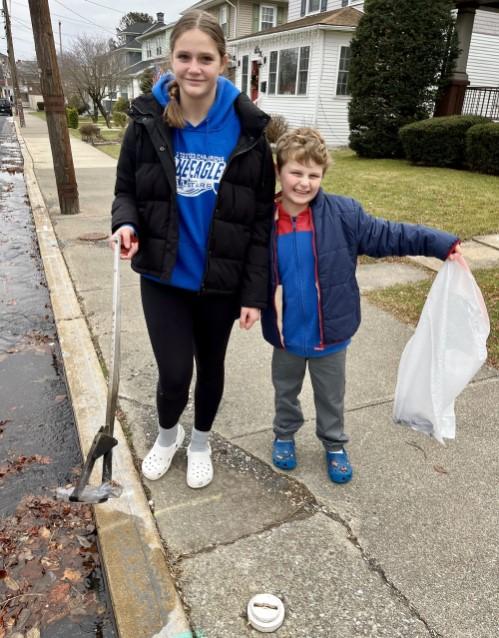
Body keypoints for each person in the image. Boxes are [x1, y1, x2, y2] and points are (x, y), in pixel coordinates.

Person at [110, 10, 275, 489]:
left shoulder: (247, 130)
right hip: (164, 275)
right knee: (175, 372)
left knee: (211, 367)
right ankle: (168, 435)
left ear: (223, 62)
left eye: (206, 58)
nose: (194, 67)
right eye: (185, 56)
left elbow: (260, 220)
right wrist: (125, 222)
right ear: (170, 60)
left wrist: (253, 292)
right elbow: (126, 189)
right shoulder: (147, 120)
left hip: (220, 280)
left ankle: (200, 441)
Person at [261, 127, 462, 484]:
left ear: (323, 176)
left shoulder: (344, 214)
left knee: (331, 395)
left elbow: (391, 234)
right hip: (284, 333)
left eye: (313, 175)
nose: (304, 182)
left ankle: (334, 443)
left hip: (331, 333)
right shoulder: (262, 221)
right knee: (285, 391)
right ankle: (284, 435)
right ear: (279, 171)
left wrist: (439, 242)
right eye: (296, 172)